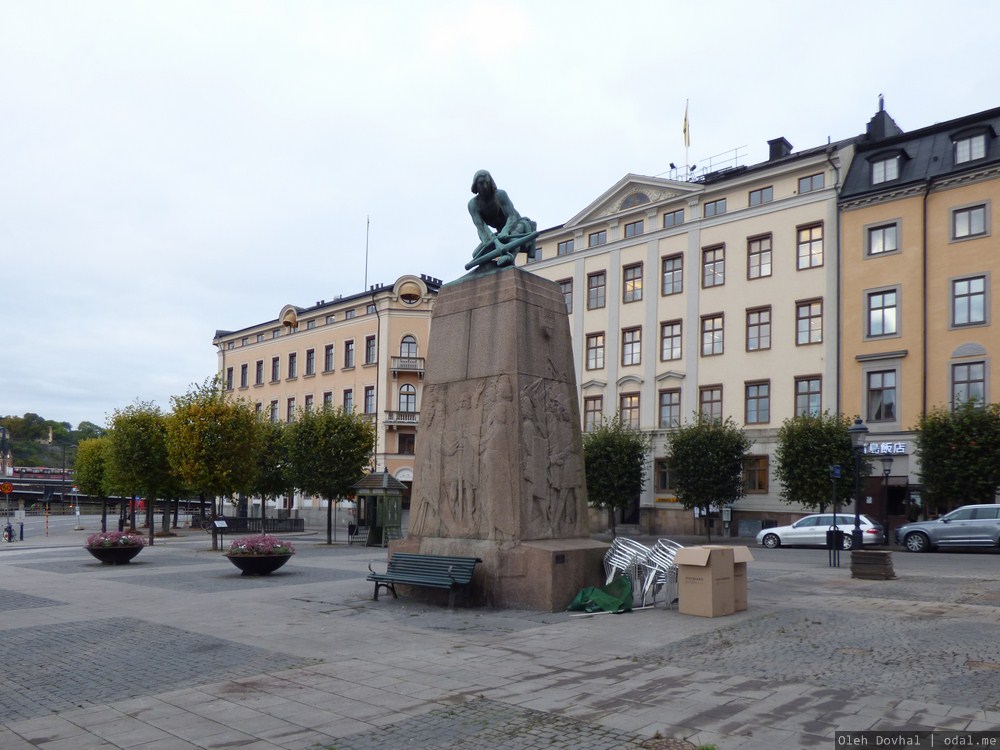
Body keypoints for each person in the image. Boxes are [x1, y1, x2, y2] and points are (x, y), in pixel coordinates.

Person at [467, 170, 537, 269]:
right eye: (481, 183)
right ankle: (491, 267)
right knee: (477, 254)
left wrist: (505, 231)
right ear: (475, 185)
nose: (485, 186)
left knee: (512, 239)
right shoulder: (473, 204)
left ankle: (509, 258)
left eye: (487, 182)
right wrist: (487, 241)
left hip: (517, 224)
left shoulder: (500, 194)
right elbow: (481, 227)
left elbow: (512, 216)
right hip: (499, 235)